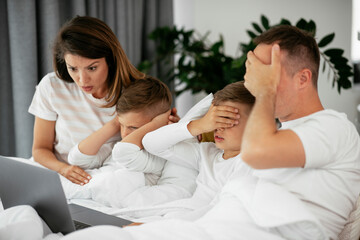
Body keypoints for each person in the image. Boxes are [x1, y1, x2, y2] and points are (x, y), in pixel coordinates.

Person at [60, 25, 360, 240]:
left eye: (263, 72)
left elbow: (257, 154)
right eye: (250, 70)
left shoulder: (334, 127)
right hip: (221, 223)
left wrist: (263, 90)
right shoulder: (278, 135)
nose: (252, 80)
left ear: (303, 77)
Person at [28, 16, 178, 186]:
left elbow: (155, 144)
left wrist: (170, 128)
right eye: (73, 69)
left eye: (92, 68)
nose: (82, 80)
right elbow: (40, 149)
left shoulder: (135, 95)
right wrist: (63, 169)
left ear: (111, 59)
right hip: (55, 173)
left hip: (102, 179)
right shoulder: (52, 86)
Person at [61, 76, 198, 209]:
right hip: (86, 200)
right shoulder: (119, 143)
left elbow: (125, 152)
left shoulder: (158, 155)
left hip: (110, 199)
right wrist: (114, 124)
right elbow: (77, 159)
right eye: (122, 125)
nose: (125, 134)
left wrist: (159, 124)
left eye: (134, 128)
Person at [139, 81, 254, 219]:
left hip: (198, 222)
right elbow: (151, 143)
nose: (218, 127)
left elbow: (221, 207)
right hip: (180, 217)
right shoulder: (206, 153)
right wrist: (200, 124)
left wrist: (164, 225)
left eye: (227, 120)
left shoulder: (247, 163)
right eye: (216, 120)